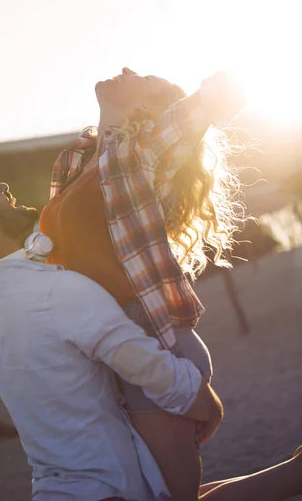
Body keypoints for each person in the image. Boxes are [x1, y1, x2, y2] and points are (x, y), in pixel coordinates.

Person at [0, 175, 302, 501]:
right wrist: (208, 404)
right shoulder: (52, 291)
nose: (5, 188)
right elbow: (145, 362)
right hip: (106, 486)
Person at [40, 68, 245, 498]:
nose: (129, 70)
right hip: (111, 347)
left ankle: (295, 477)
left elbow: (191, 115)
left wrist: (215, 93)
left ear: (151, 112)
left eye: (146, 80)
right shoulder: (77, 162)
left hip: (153, 342)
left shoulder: (143, 149)